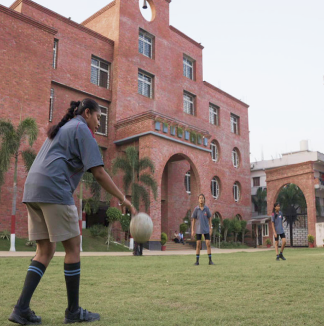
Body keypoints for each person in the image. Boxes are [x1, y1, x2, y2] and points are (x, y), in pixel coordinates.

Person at [8, 99, 136, 325]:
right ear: (87, 113)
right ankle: (73, 312)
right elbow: (98, 173)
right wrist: (123, 198)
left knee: (45, 250)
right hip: (54, 189)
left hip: (33, 189)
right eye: (98, 118)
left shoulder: (65, 128)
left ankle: (21, 309)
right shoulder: (81, 129)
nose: (98, 123)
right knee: (74, 247)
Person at [191, 194, 214, 265]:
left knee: (208, 244)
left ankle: (210, 261)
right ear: (198, 200)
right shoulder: (196, 209)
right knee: (198, 245)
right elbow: (193, 220)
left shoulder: (206, 209)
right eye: (200, 198)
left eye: (202, 198)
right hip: (198, 230)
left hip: (206, 229)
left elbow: (210, 218)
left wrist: (211, 228)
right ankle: (197, 261)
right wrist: (192, 230)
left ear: (204, 200)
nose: (201, 199)